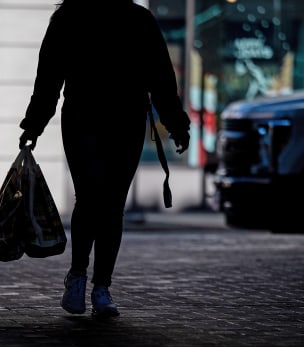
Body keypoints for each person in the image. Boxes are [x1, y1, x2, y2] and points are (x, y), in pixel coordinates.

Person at [18, 0, 191, 317]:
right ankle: (93, 283)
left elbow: (49, 80)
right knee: (104, 202)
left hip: (92, 119)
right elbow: (161, 79)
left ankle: (88, 280)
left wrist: (34, 123)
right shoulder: (136, 19)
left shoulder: (70, 18)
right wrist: (177, 124)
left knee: (100, 201)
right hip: (117, 120)